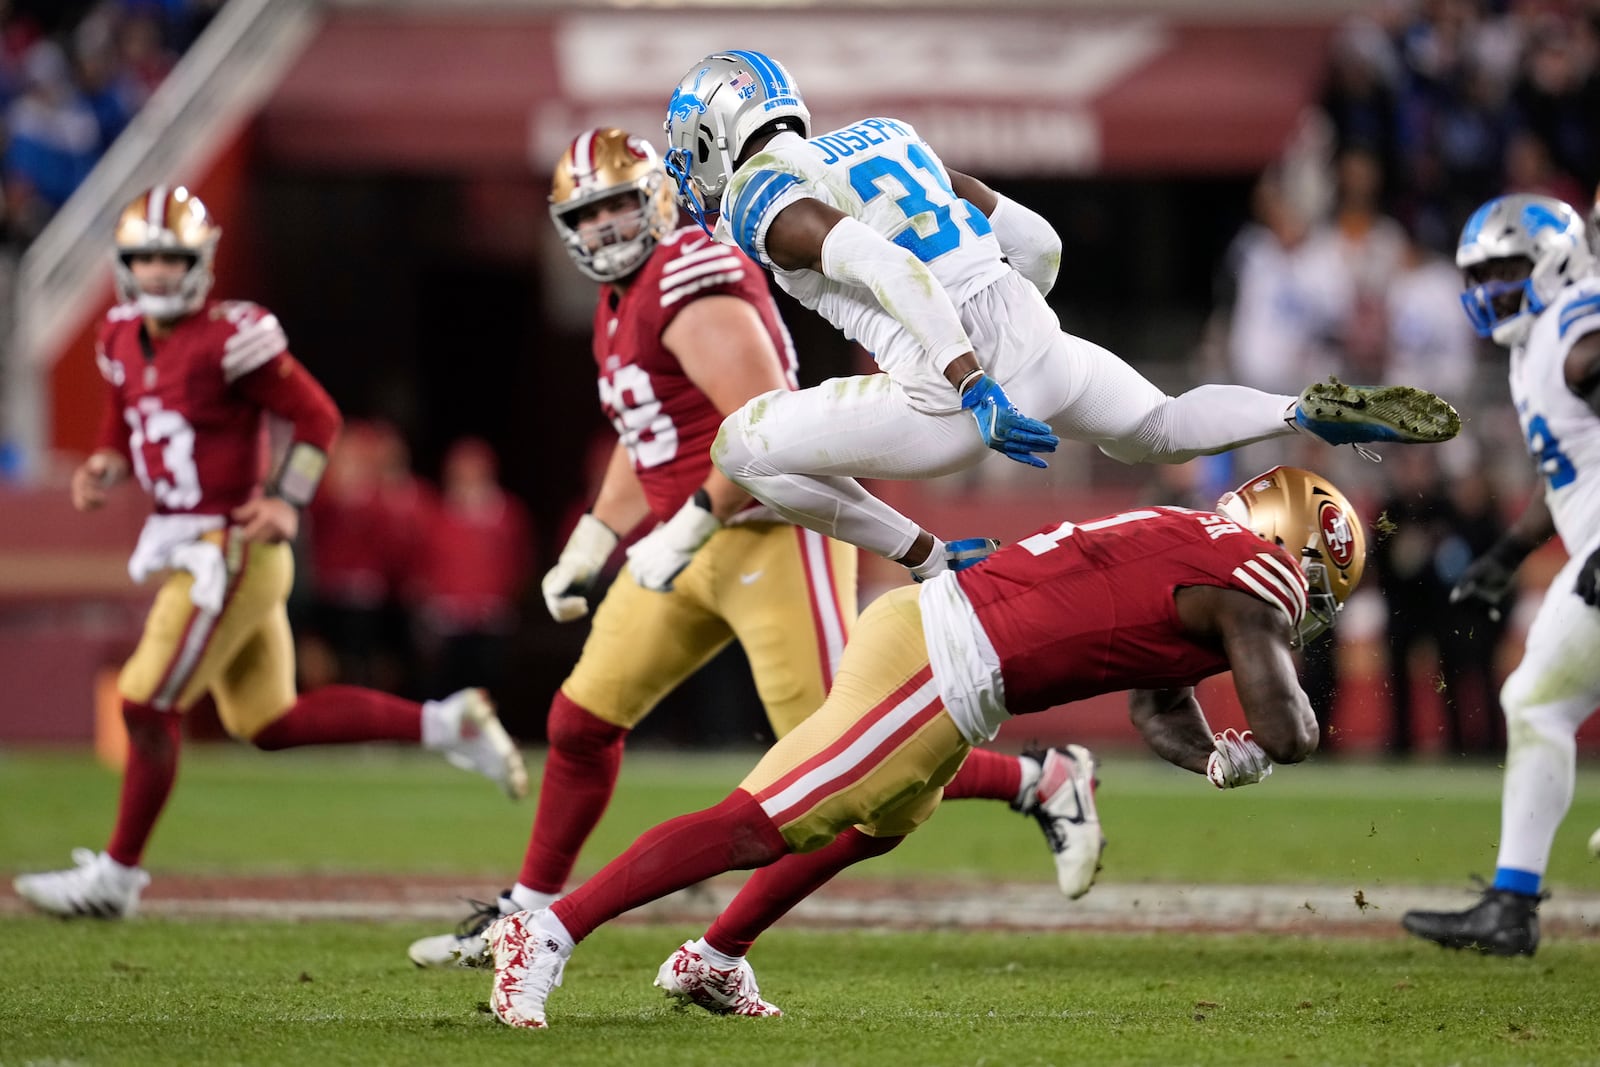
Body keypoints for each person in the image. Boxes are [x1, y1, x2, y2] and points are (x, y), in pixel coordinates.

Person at [406, 130, 1099, 969]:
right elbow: (649, 434)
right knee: (580, 721)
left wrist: (673, 523)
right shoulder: (620, 299)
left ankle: (1039, 778)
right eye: (587, 215)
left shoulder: (692, 279)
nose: (605, 228)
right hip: (685, 544)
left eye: (620, 204)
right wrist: (594, 535)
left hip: (770, 538)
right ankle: (525, 908)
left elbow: (758, 433)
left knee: (852, 772)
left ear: (658, 198)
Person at [481, 464, 1369, 1028]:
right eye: (1319, 580)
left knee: (885, 819)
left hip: (947, 649)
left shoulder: (1188, 542)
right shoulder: (1254, 575)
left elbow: (1157, 709)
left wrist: (1214, 754)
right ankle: (547, 931)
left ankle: (714, 957)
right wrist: (1268, 741)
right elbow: (1293, 728)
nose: (1309, 603)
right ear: (1294, 546)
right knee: (760, 823)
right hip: (946, 660)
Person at [660, 50, 1458, 583]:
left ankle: (933, 560)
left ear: (715, 134)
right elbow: (1037, 242)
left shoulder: (756, 192)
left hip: (955, 385)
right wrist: (1020, 323)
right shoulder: (889, 137)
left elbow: (886, 264)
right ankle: (1300, 410)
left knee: (743, 448)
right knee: (1162, 422)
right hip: (1032, 335)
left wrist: (975, 382)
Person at [11, 186, 527, 920]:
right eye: (146, 258)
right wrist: (106, 462)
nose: (158, 272)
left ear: (201, 261)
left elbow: (318, 418)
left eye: (172, 257)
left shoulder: (231, 338)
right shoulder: (121, 334)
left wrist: (287, 496)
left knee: (143, 700)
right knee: (270, 721)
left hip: (233, 547)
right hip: (194, 544)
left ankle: (117, 876)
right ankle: (449, 724)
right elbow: (124, 419)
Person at [1402, 193, 1600, 956]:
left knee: (1537, 700)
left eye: (1509, 268)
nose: (1493, 289)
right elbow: (1568, 477)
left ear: (1555, 257)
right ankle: (1510, 905)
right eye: (1482, 274)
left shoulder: (1576, 325)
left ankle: (1511, 909)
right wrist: (1505, 557)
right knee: (1537, 699)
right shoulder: (1540, 344)